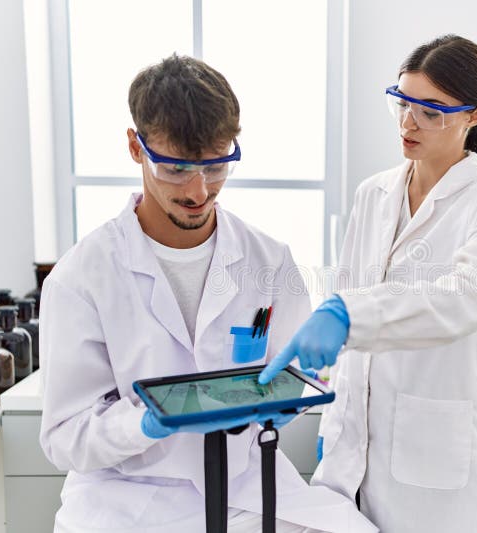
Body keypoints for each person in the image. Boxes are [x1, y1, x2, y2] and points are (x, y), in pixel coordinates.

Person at [39, 54, 376, 533]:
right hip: (130, 498)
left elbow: (294, 374)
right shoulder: (82, 277)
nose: (199, 190)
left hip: (248, 487)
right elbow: (65, 436)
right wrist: (146, 424)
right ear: (136, 147)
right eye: (176, 169)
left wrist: (295, 394)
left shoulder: (268, 259)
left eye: (217, 166)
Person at [259, 35, 477, 532]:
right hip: (349, 451)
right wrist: (332, 407)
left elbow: (466, 296)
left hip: (433, 467)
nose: (409, 122)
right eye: (402, 103)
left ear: (474, 115)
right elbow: (353, 294)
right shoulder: (373, 193)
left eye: (431, 110)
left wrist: (348, 314)